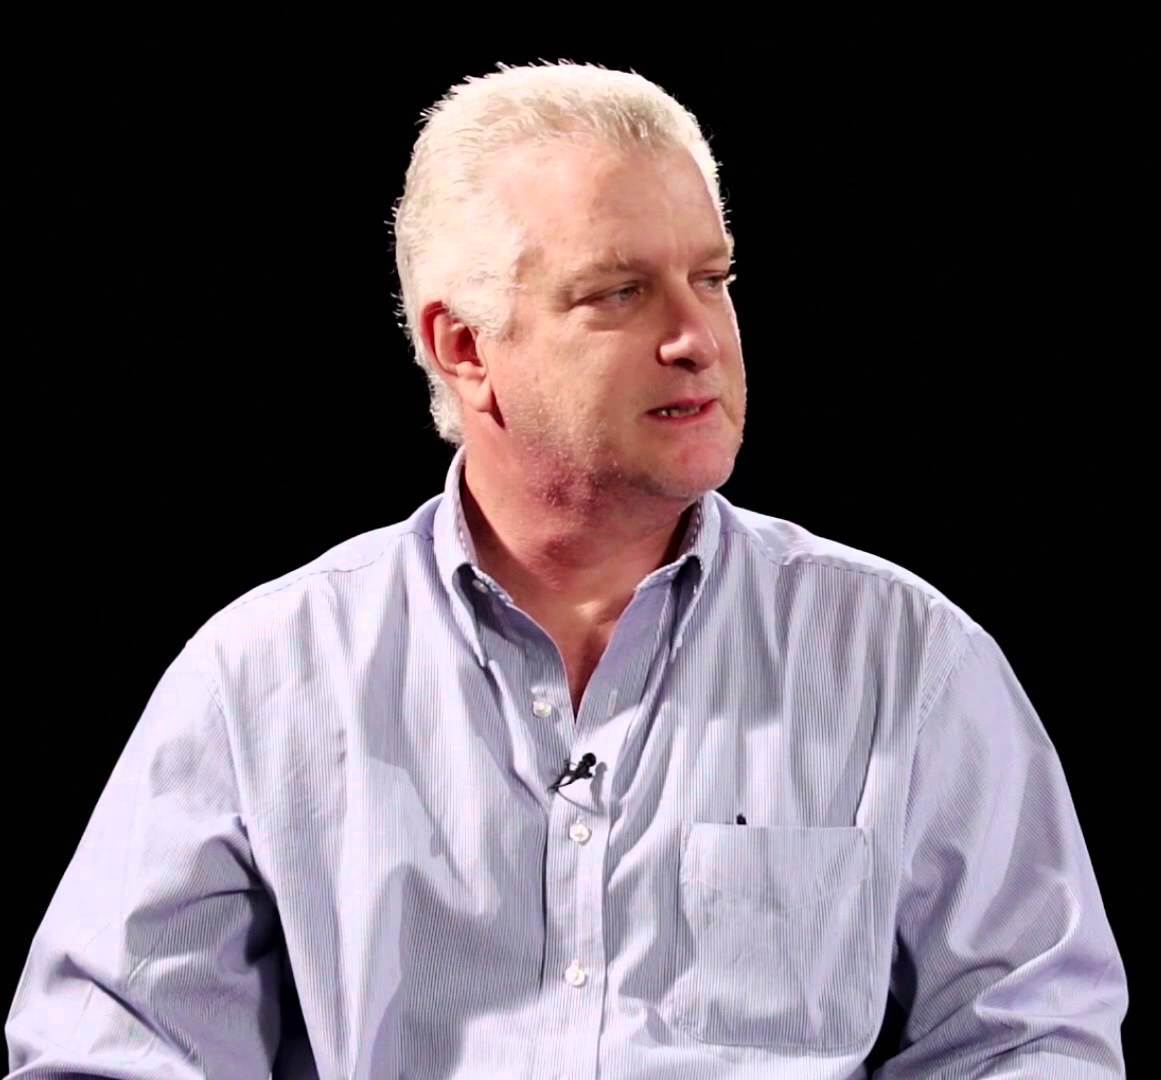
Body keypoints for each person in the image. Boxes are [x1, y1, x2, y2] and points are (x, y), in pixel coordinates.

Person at [6, 61, 1127, 1078]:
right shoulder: (263, 677)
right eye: (619, 292)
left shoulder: (902, 660)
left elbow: (1032, 1039)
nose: (696, 337)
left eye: (712, 277)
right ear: (464, 347)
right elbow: (111, 1049)